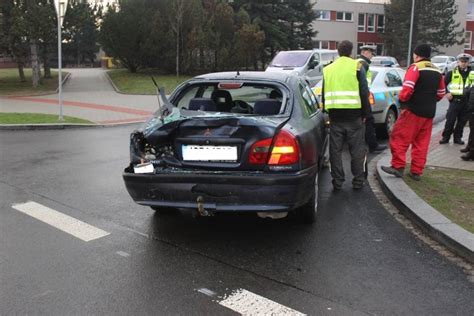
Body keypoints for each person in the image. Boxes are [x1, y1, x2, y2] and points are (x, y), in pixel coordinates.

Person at [381, 44, 445, 180]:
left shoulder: (415, 68)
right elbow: (441, 93)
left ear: (416, 55)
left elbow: (407, 89)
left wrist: (403, 99)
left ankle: (397, 166)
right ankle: (416, 172)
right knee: (421, 143)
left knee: (399, 137)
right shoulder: (437, 71)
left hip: (412, 111)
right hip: (429, 113)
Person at [322, 40, 371, 190]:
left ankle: (337, 181)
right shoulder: (357, 66)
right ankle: (358, 180)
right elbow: (364, 92)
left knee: (335, 151)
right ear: (351, 52)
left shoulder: (328, 69)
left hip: (335, 116)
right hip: (354, 115)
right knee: (357, 149)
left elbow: (324, 93)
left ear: (338, 51)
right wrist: (366, 113)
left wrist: (327, 111)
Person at [357, 45, 387, 154]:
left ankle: (366, 145)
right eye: (370, 54)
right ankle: (372, 146)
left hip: (358, 98)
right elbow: (363, 84)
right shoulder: (363, 64)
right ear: (365, 52)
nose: (371, 57)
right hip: (362, 97)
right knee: (369, 121)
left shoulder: (359, 63)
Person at [439, 53, 474, 144]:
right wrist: (447, 93)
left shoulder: (472, 74)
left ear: (468, 63)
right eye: (462, 61)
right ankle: (445, 138)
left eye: (465, 62)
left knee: (461, 122)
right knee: (450, 121)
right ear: (458, 62)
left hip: (466, 102)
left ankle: (457, 138)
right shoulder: (452, 73)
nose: (463, 63)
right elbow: (443, 84)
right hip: (454, 101)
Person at [461, 85, 474, 161]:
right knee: (472, 131)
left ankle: (472, 153)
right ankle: (469, 148)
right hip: (471, 110)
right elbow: (468, 93)